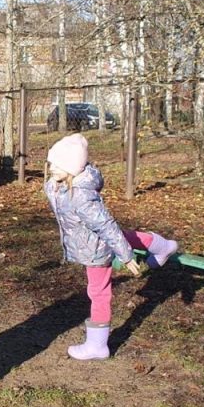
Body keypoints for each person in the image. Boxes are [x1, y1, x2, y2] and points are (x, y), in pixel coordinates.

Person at [45, 133, 178, 360]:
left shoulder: (82, 197)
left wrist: (126, 256)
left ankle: (97, 346)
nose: (51, 169)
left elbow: (106, 226)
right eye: (51, 163)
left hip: (95, 249)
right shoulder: (58, 185)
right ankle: (162, 246)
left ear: (73, 168)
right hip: (89, 240)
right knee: (121, 236)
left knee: (98, 292)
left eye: (58, 164)